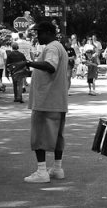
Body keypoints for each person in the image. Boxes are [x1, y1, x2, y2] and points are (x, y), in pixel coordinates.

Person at [15, 21, 69, 183]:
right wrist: (31, 70)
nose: (37, 37)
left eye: (39, 33)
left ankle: (41, 171)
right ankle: (57, 168)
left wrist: (28, 63)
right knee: (57, 135)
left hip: (45, 101)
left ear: (47, 32)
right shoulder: (59, 47)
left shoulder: (51, 47)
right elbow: (49, 71)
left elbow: (51, 66)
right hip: (57, 100)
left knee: (39, 135)